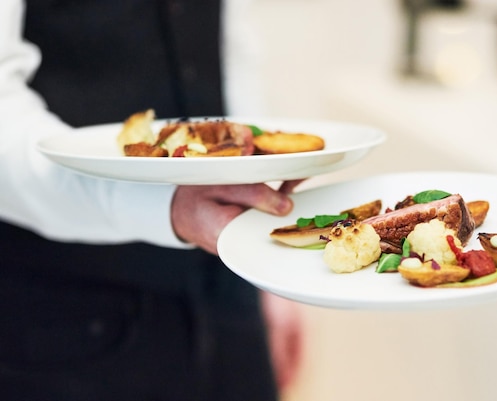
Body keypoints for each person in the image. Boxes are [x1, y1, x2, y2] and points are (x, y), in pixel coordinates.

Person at [0, 0, 302, 400]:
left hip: (227, 297)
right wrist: (159, 206)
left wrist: (265, 274)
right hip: (68, 317)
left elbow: (231, 47)